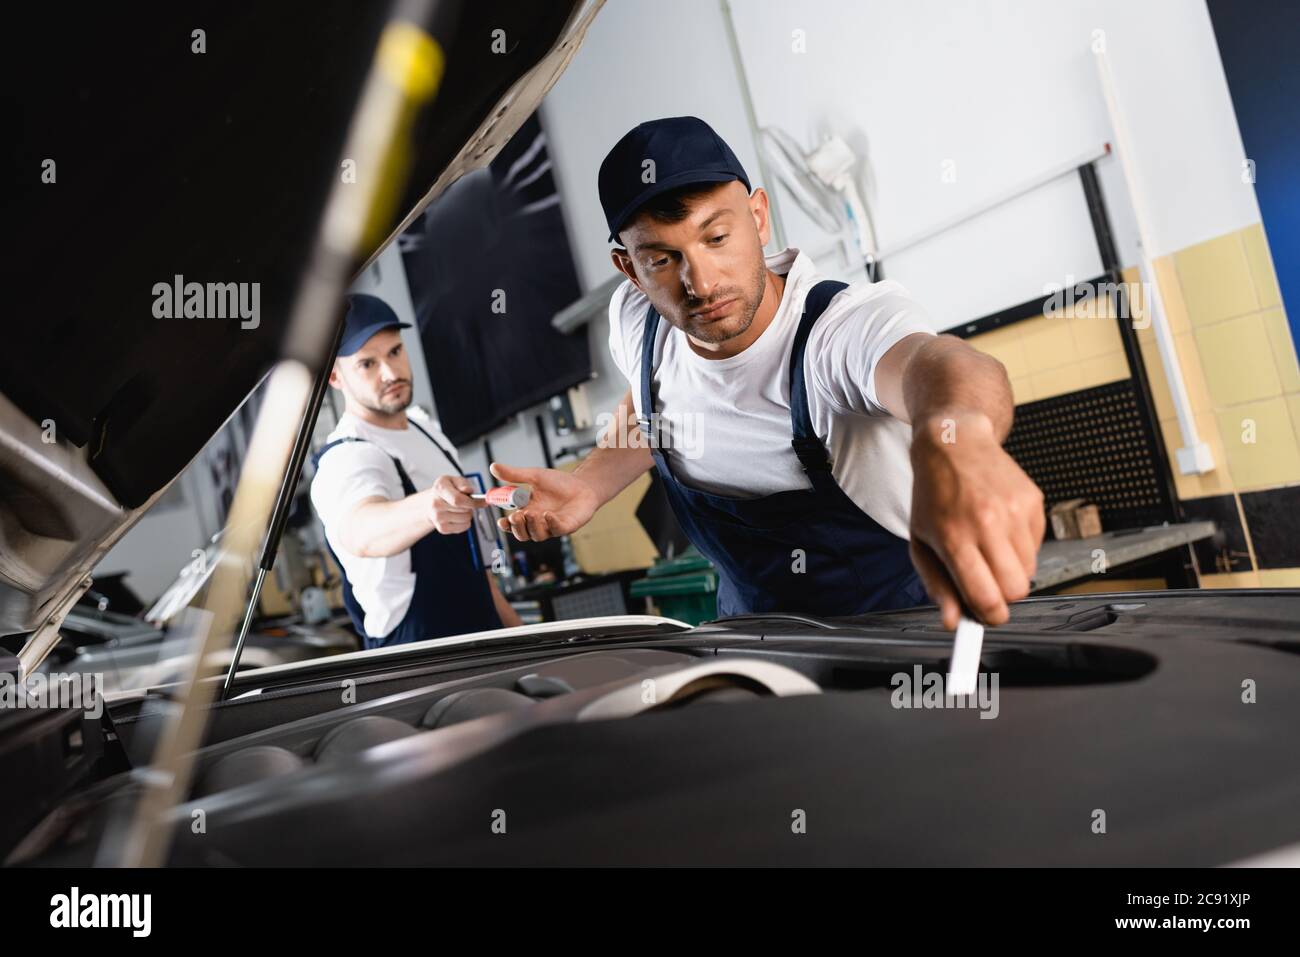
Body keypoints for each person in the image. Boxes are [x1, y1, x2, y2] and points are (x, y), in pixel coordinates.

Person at [489, 116, 1044, 630]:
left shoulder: (835, 330)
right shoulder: (639, 321)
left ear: (758, 217)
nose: (701, 283)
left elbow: (938, 364)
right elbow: (653, 407)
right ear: (629, 268)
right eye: (661, 259)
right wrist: (588, 485)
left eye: (716, 238)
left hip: (903, 633)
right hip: (757, 642)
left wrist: (959, 444)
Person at [310, 293, 520, 648]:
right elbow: (360, 532)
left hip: (482, 630)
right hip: (416, 651)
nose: (391, 373)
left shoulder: (426, 429)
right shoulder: (346, 456)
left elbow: (477, 569)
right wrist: (428, 507)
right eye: (367, 364)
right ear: (335, 377)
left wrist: (520, 636)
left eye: (395, 351)